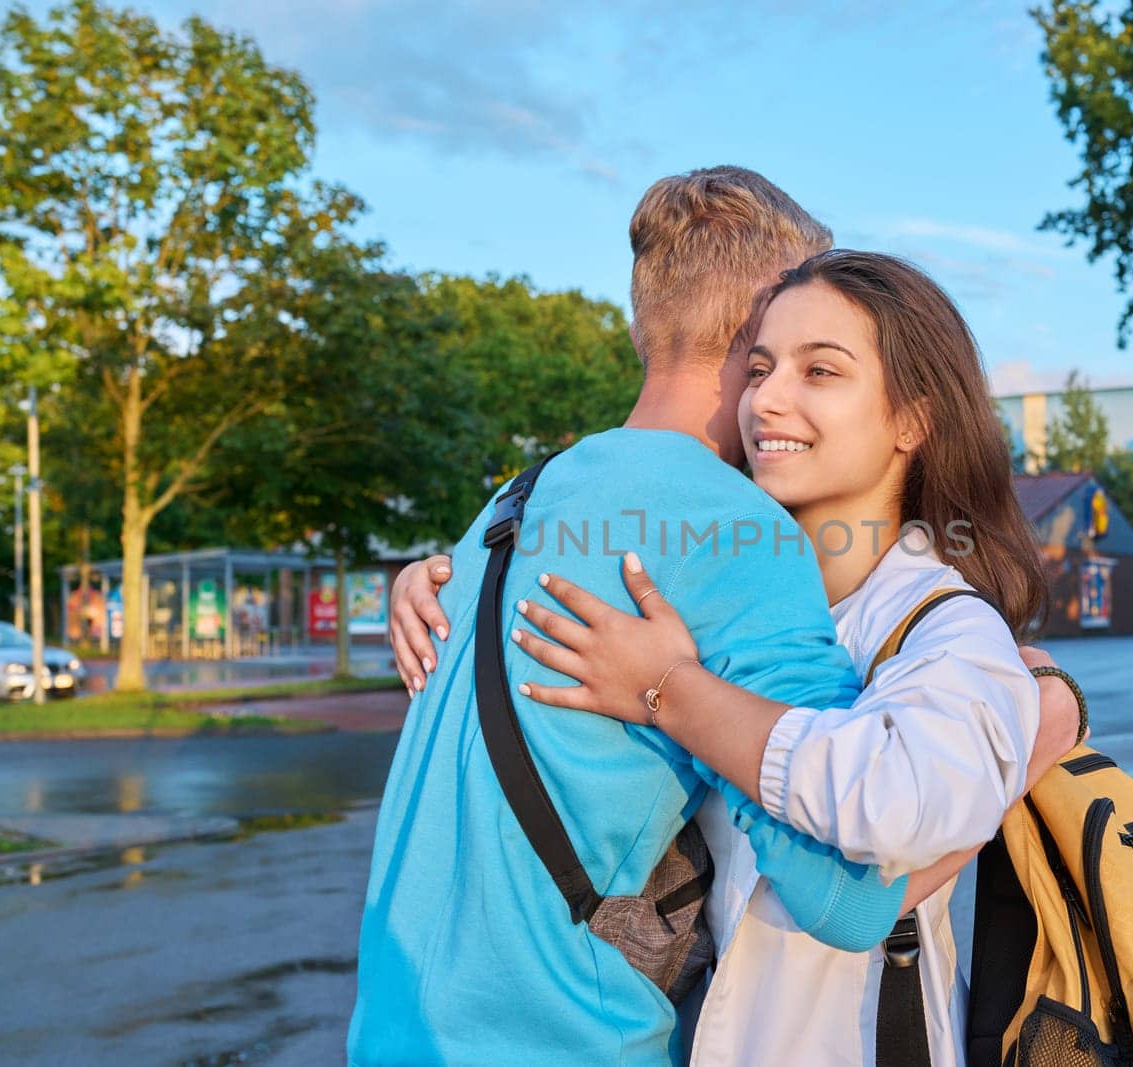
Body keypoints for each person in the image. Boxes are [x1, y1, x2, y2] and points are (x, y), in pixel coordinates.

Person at [351, 167, 1079, 1067]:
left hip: (389, 1034)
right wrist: (1029, 742)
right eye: (783, 351)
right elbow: (847, 905)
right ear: (757, 332)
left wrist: (419, 579)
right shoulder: (742, 536)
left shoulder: (511, 509)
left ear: (640, 323)